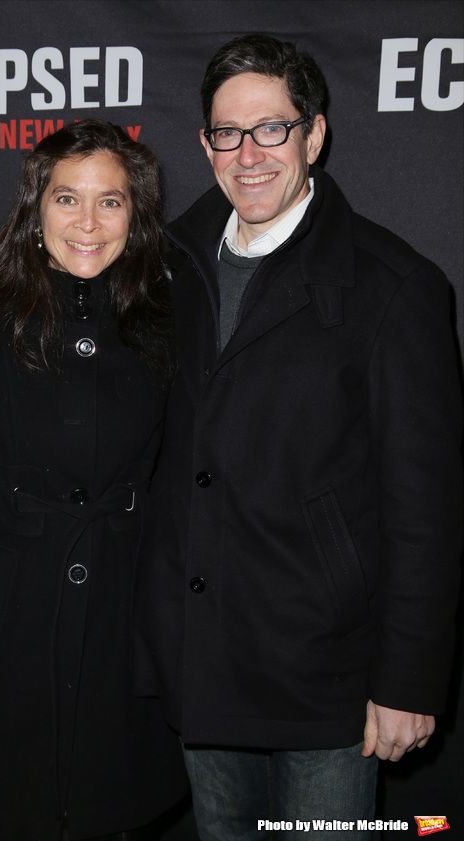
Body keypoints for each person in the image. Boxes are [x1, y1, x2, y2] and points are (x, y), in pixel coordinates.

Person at [134, 33, 463, 840]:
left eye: (271, 128)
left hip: (326, 677)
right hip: (203, 662)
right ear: (205, 142)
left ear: (314, 135)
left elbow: (425, 508)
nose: (247, 154)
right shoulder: (167, 268)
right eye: (227, 132)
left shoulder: (395, 287)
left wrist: (409, 678)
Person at [0, 119, 187, 841]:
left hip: (124, 618)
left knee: (109, 808)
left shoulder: (169, 326)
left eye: (110, 201)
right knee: (5, 806)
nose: (88, 222)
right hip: (1, 616)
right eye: (67, 199)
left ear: (135, 216)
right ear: (35, 210)